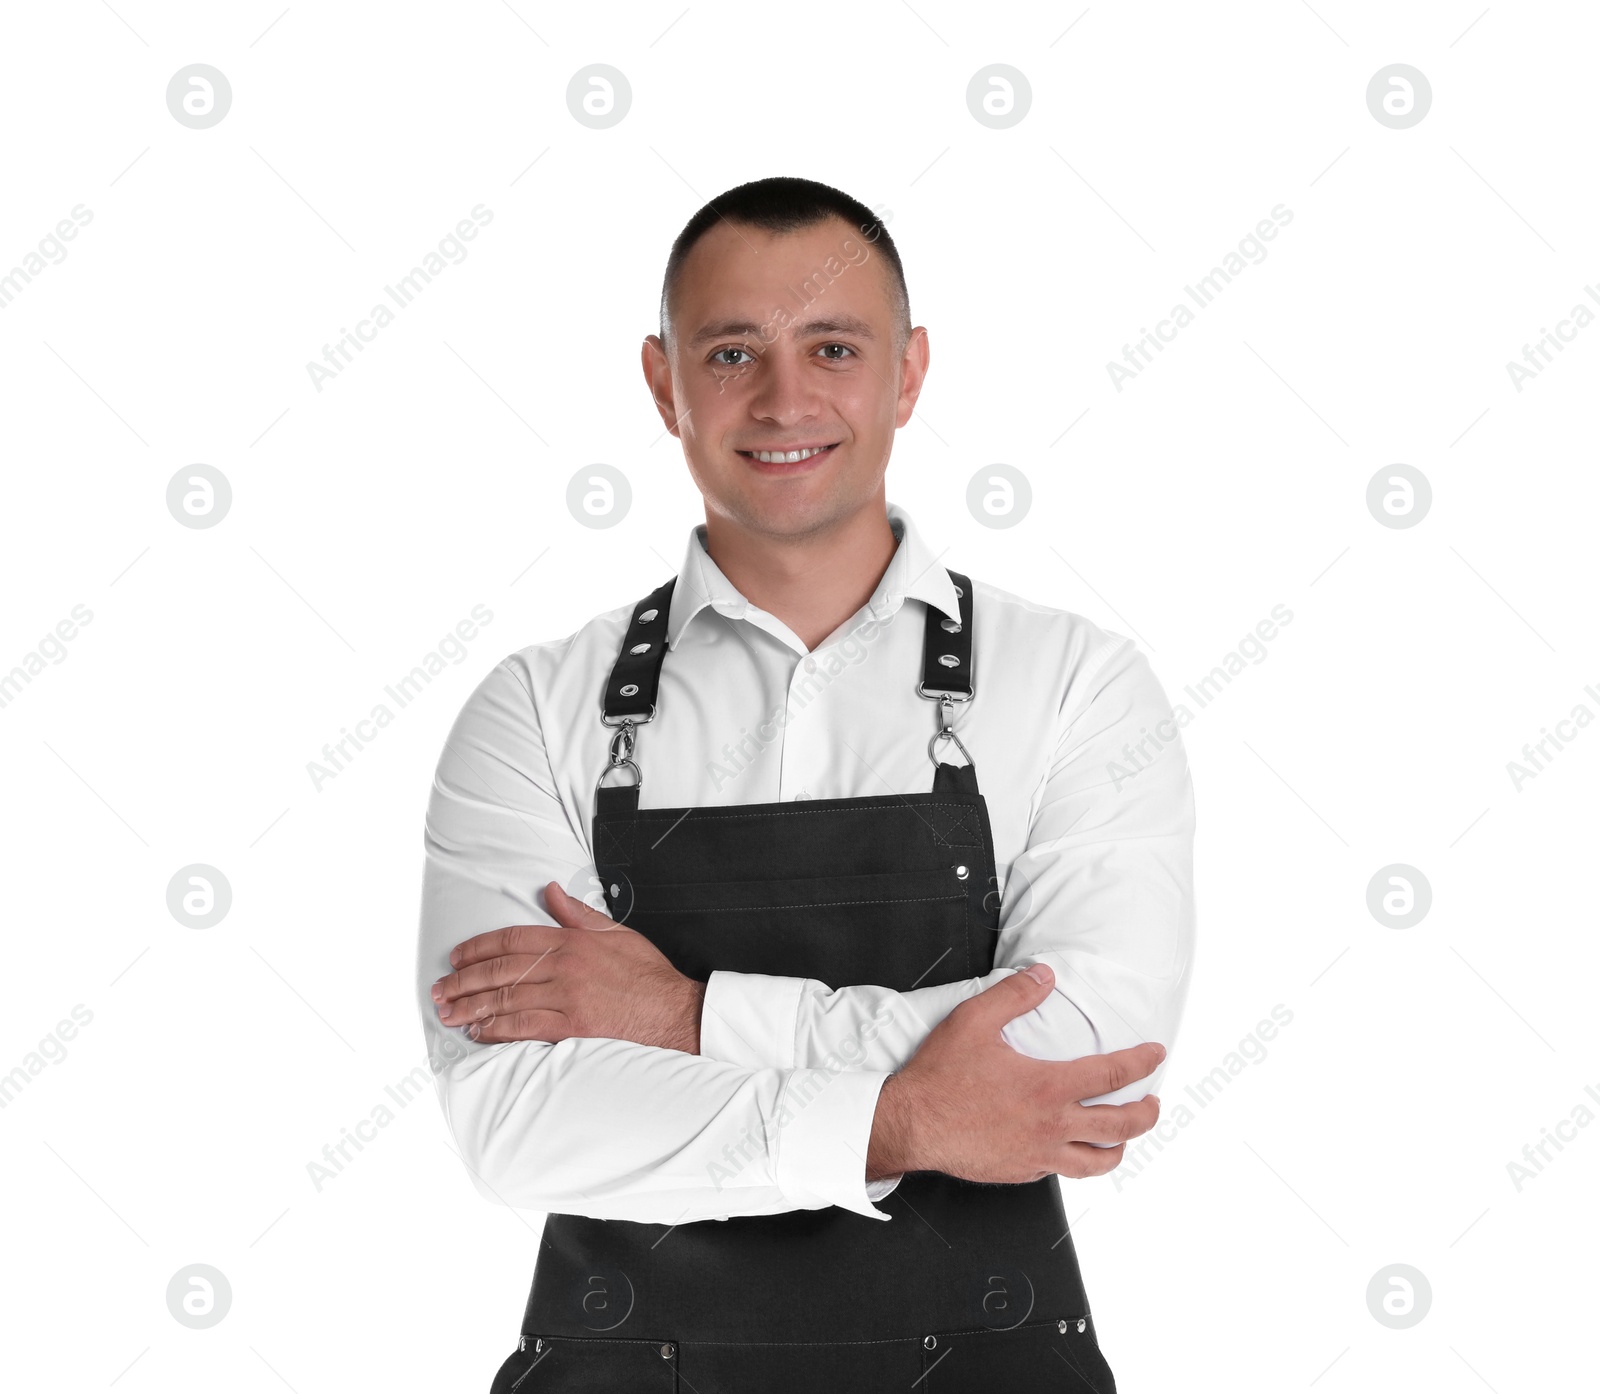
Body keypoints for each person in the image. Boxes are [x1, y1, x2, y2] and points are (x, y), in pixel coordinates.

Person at [417, 175, 1195, 1393]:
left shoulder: (1073, 684)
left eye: (832, 347)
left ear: (909, 373)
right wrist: (909, 1119)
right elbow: (515, 1122)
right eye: (732, 352)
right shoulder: (533, 710)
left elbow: (1082, 1053)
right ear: (663, 381)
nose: (784, 399)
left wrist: (682, 1015)